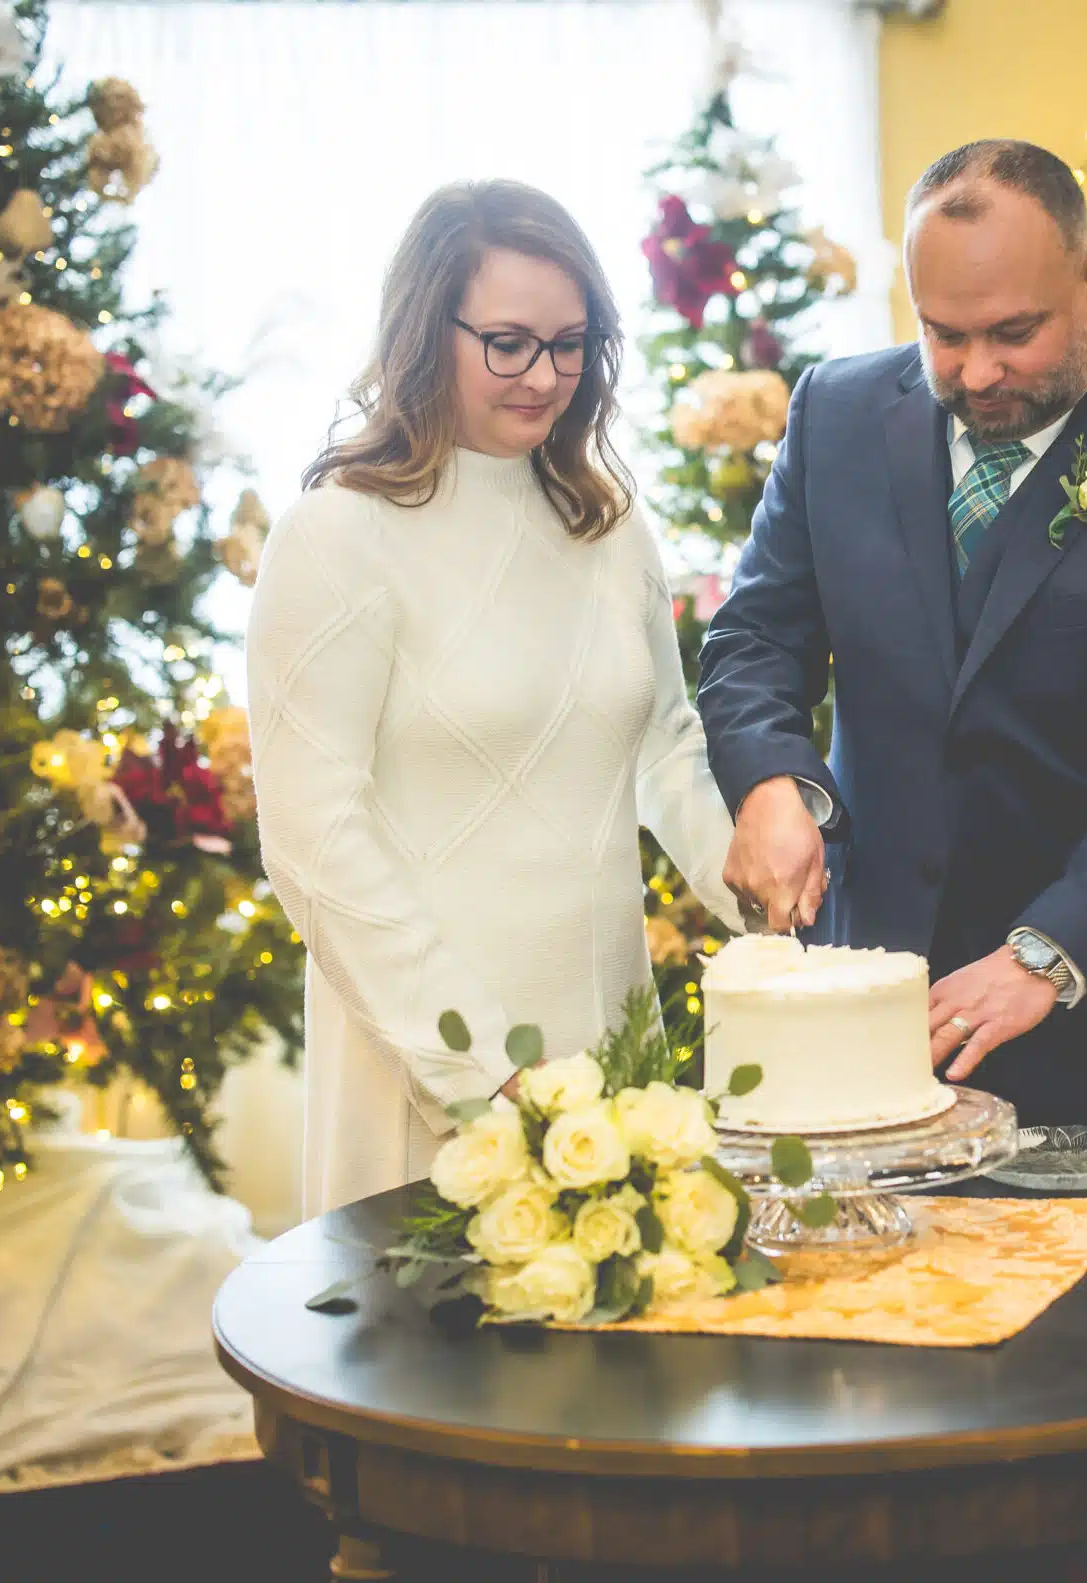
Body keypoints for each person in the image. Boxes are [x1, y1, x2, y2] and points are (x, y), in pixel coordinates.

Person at [697, 139, 1087, 1151]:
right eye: (943, 334)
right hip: (869, 1007)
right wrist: (769, 783)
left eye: (1014, 333)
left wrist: (1043, 955)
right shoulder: (835, 416)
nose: (977, 372)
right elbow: (755, 637)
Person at [248, 181, 741, 1216]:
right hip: (428, 1066)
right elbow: (314, 842)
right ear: (427, 331)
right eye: (509, 342)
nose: (547, 376)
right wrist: (481, 1070)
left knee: (626, 1371)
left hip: (612, 1049)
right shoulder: (336, 535)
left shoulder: (608, 527)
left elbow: (663, 748)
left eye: (572, 343)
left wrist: (775, 899)